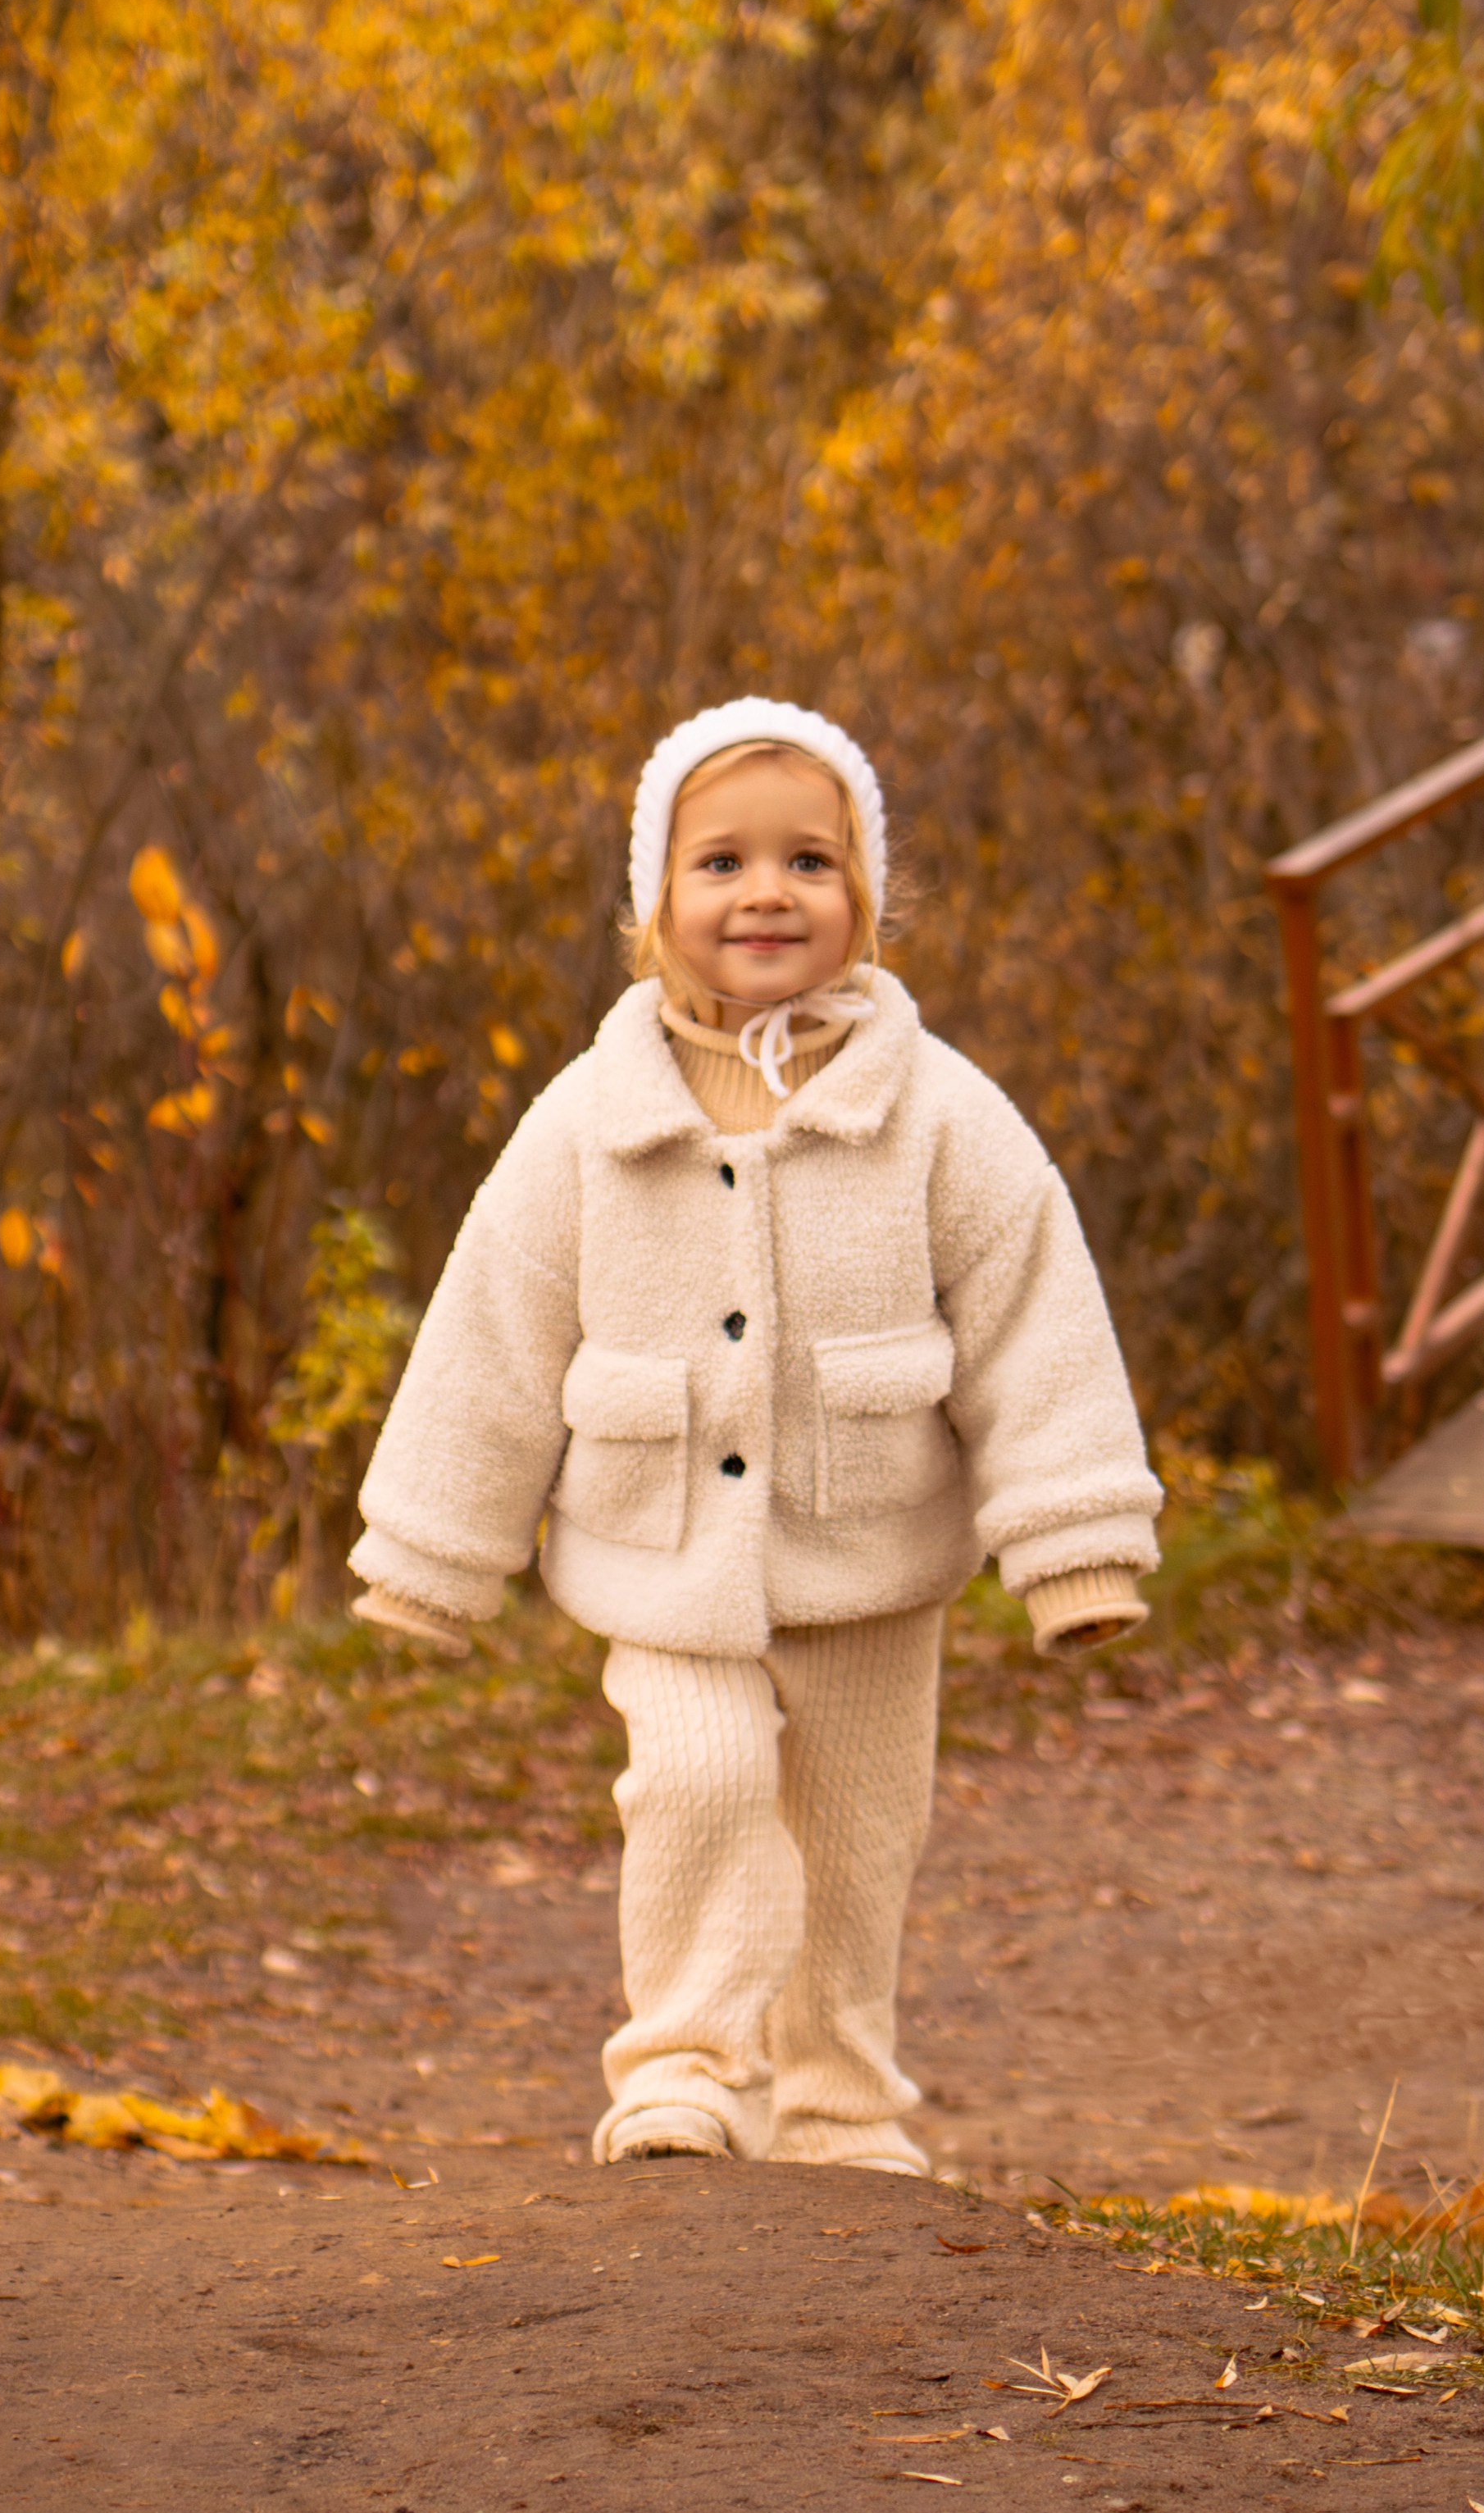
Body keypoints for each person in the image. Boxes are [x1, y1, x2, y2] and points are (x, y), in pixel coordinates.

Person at [349, 699, 1161, 2173]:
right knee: (701, 1779)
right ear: (652, 901)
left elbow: (1037, 1320)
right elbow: (497, 1330)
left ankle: (838, 2099)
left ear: (868, 896)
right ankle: (680, 2071)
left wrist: (1078, 1546)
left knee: (857, 1843)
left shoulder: (938, 1115)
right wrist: (431, 1556)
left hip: (869, 1555)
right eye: (720, 861)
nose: (766, 891)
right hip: (662, 1559)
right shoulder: (589, 1118)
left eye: (810, 859)